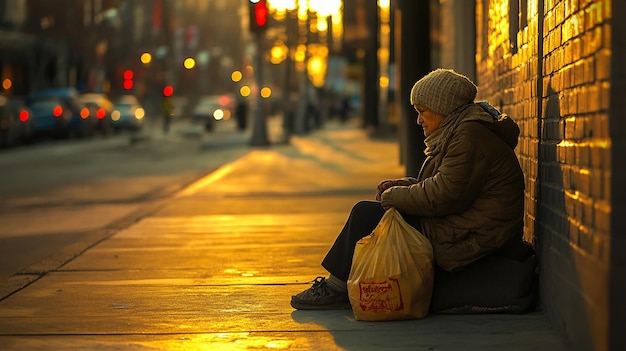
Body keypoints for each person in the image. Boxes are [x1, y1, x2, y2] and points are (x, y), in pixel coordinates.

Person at [291, 68, 533, 311]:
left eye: (422, 112)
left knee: (365, 213)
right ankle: (343, 284)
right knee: (374, 213)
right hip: (461, 224)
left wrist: (393, 197)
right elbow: (445, 184)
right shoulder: (461, 131)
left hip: (470, 234)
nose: (418, 120)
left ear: (442, 108)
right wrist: (404, 186)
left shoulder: (469, 136)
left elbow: (444, 195)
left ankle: (335, 288)